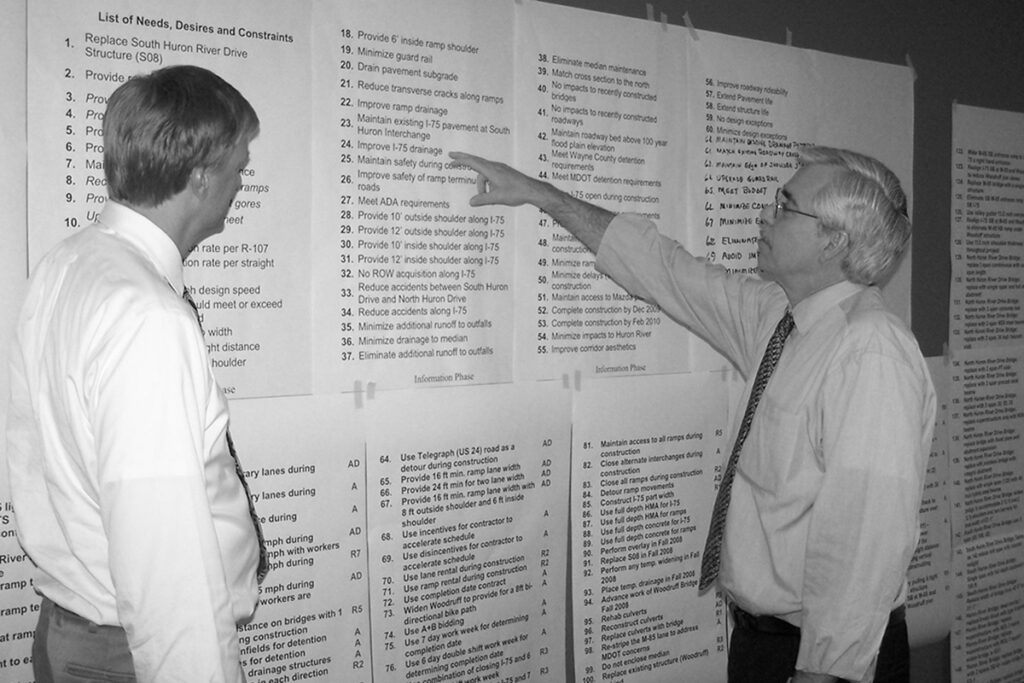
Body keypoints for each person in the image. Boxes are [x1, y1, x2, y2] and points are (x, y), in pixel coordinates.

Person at [450, 147, 936, 683]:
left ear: (833, 240)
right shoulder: (779, 318)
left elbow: (867, 536)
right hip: (765, 646)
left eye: (784, 205)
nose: (764, 215)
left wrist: (822, 671)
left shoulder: (870, 352)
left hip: (826, 662)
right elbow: (666, 270)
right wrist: (542, 195)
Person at [7, 65, 265, 682]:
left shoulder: (68, 265)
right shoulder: (148, 315)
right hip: (134, 652)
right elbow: (166, 565)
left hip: (85, 630)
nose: (241, 180)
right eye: (238, 163)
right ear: (201, 175)